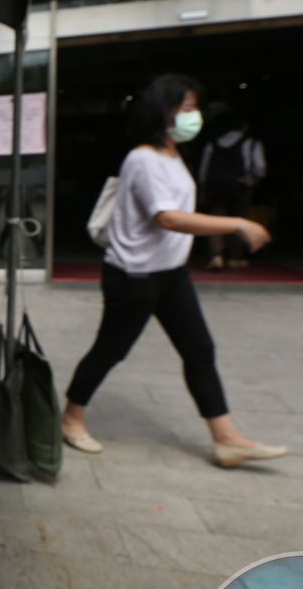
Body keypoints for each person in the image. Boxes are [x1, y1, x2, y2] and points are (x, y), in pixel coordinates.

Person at [61, 75, 288, 468]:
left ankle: (227, 439)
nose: (194, 116)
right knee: (111, 349)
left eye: (194, 108)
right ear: (163, 112)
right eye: (187, 109)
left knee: (199, 350)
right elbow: (167, 217)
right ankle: (71, 418)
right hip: (134, 276)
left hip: (171, 273)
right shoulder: (142, 159)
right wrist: (238, 223)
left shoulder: (173, 155)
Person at [198, 111, 266, 270]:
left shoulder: (212, 144)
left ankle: (217, 255)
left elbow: (203, 170)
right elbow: (260, 167)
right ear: (244, 126)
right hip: (241, 186)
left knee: (215, 219)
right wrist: (256, 179)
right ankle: (236, 257)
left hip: (216, 187)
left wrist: (203, 186)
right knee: (239, 219)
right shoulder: (251, 143)